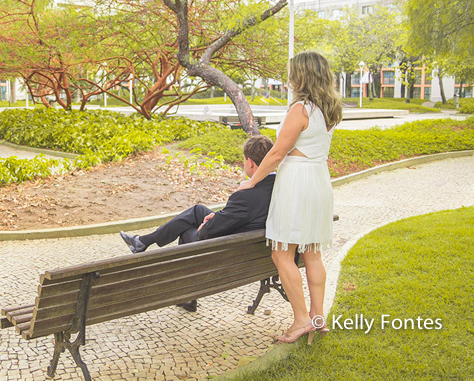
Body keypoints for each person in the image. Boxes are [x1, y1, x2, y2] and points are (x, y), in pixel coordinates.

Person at [237, 51, 342, 344]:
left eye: (292, 72)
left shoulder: (301, 109)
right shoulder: (330, 108)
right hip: (319, 179)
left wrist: (252, 181)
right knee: (312, 253)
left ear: (302, 75)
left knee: (281, 253)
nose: (289, 77)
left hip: (297, 181)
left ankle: (300, 320)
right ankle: (318, 317)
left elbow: (278, 152)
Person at [119, 135, 276, 311]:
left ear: (251, 163)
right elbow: (241, 215)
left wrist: (208, 225)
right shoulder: (279, 185)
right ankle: (143, 241)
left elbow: (208, 231)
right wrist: (217, 216)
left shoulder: (245, 196)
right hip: (255, 242)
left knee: (186, 232)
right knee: (197, 211)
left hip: (231, 250)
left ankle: (188, 297)